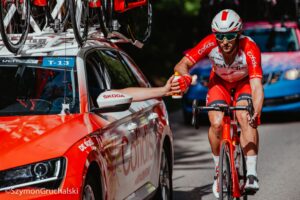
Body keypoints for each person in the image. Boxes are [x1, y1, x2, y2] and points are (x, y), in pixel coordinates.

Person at [171, 9, 264, 198]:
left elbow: (256, 86)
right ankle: (218, 170)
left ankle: (252, 174)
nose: (224, 41)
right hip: (219, 83)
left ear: (238, 34)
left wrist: (256, 111)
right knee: (216, 123)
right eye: (220, 36)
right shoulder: (210, 43)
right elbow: (181, 64)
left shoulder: (250, 48)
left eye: (230, 36)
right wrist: (185, 77)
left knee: (244, 117)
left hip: (243, 83)